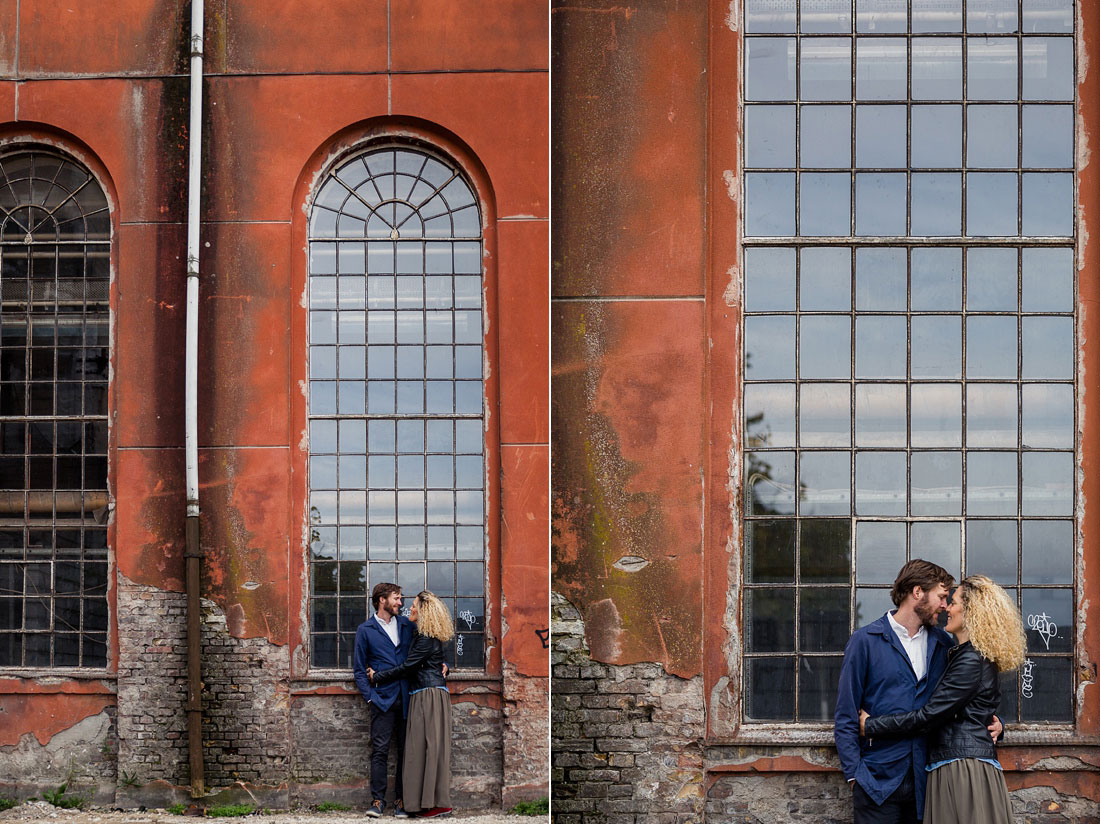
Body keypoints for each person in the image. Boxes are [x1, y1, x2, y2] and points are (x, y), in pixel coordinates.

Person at [835, 559, 1001, 824]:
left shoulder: (945, 644)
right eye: (942, 596)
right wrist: (856, 776)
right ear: (917, 593)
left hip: (929, 783)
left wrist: (993, 722)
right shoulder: (865, 641)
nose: (945, 606)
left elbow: (965, 695)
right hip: (877, 783)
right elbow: (845, 716)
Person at [369, 590, 455, 819]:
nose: (410, 609)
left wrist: (378, 676)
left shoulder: (425, 639)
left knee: (430, 750)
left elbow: (407, 666)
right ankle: (425, 803)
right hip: (422, 694)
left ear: (424, 611)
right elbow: (431, 659)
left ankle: (436, 804)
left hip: (428, 694)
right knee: (422, 750)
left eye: (415, 605)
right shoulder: (421, 634)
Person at [354, 582, 414, 819]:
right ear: (382, 600)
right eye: (397, 598)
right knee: (379, 752)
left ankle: (401, 801)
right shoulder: (365, 630)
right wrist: (370, 698)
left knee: (405, 752)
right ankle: (378, 801)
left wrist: (444, 663)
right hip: (381, 700)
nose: (401, 603)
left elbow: (428, 646)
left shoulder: (407, 626)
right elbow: (359, 670)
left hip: (407, 698)